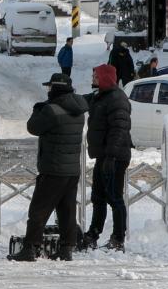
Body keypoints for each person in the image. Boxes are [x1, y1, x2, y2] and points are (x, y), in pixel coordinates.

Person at [10, 72, 88, 262]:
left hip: (53, 169)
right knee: (67, 210)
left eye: (50, 88)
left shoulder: (51, 111)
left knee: (39, 210)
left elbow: (33, 127)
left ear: (55, 88)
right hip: (72, 170)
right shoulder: (79, 111)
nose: (48, 91)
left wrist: (38, 110)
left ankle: (30, 248)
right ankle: (66, 248)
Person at [82, 64, 132, 252]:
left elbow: (119, 130)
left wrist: (111, 156)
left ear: (105, 78)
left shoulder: (117, 99)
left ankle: (118, 239)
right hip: (103, 155)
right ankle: (93, 234)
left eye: (96, 75)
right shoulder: (100, 96)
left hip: (115, 157)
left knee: (114, 198)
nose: (93, 78)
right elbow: (81, 101)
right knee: (98, 197)